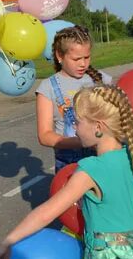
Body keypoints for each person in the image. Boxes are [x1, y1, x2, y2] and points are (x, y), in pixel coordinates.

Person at [0, 84, 133, 259]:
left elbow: (46, 213)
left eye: (77, 122)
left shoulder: (91, 169)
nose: (74, 128)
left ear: (98, 127)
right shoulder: (131, 157)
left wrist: (8, 242)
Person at [35, 25, 112, 172]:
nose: (83, 64)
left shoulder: (103, 80)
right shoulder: (48, 87)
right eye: (76, 59)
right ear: (59, 56)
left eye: (87, 57)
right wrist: (82, 141)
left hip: (101, 161)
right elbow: (44, 136)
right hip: (68, 166)